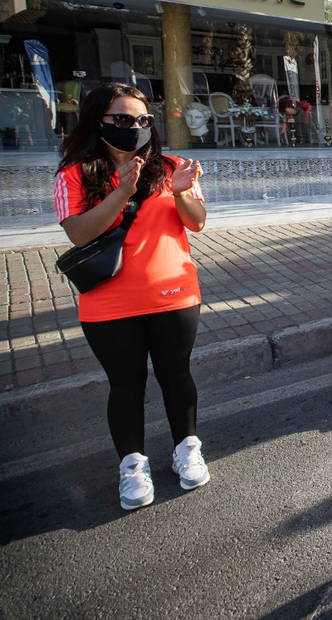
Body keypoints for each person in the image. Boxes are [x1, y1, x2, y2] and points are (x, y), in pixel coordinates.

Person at [55, 83, 209, 510]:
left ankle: (187, 448)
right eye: (122, 119)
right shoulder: (75, 174)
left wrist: (181, 191)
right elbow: (79, 233)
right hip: (109, 304)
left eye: (142, 119)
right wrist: (122, 192)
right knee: (125, 385)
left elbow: (197, 223)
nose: (134, 127)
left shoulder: (173, 166)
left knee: (177, 375)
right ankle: (133, 464)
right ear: (97, 121)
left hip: (174, 296)